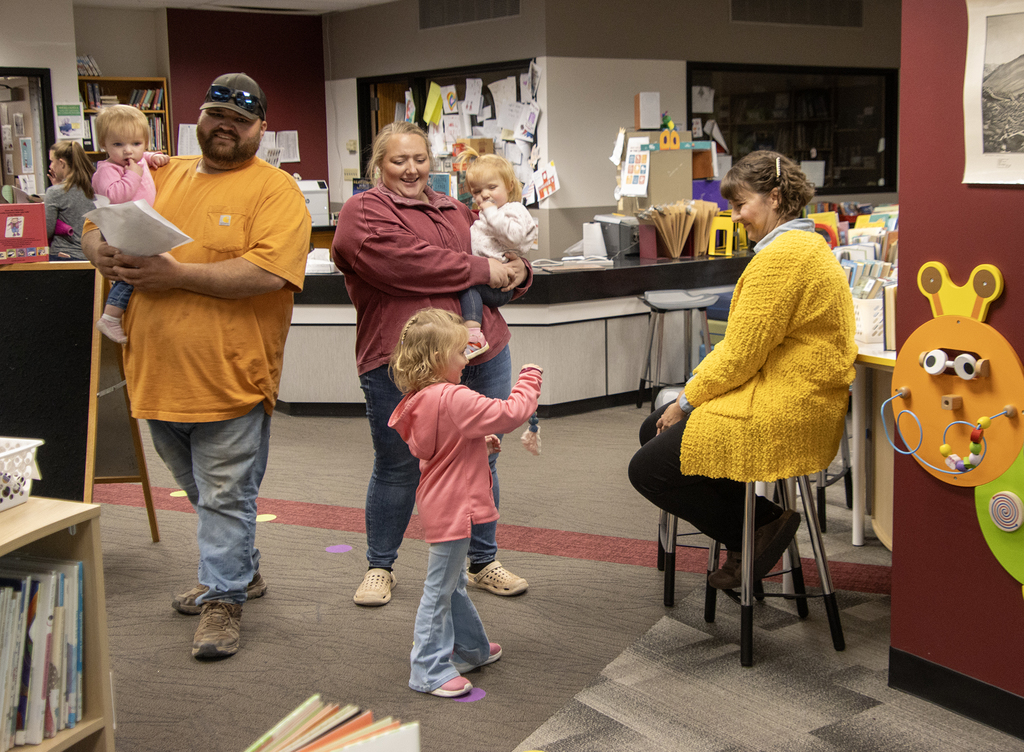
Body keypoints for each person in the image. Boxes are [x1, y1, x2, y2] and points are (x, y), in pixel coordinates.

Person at [82, 73, 310, 659]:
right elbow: (96, 217)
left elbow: (268, 272)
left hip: (232, 378)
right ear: (199, 119)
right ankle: (241, 571)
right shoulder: (161, 171)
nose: (225, 127)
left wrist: (177, 275)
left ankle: (223, 599)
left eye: (240, 120)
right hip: (154, 376)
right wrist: (99, 249)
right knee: (205, 494)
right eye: (215, 115)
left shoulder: (275, 189)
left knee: (224, 496)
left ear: (260, 129)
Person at [628, 151, 857, 590]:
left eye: (741, 205)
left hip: (786, 407)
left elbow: (739, 355)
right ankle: (755, 529)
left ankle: (754, 529)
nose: (735, 217)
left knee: (647, 468)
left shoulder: (781, 257)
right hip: (798, 397)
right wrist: (685, 401)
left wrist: (685, 399)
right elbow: (748, 352)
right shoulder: (808, 244)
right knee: (651, 431)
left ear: (774, 197)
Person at [331, 122, 533, 607]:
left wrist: (519, 271)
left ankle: (483, 561)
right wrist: (485, 269)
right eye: (399, 160)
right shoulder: (364, 211)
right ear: (379, 164)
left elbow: (505, 259)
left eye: (420, 159)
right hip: (405, 363)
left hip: (482, 352)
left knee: (484, 456)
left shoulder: (457, 208)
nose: (411, 169)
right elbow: (407, 263)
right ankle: (380, 566)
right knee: (398, 466)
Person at [387, 308, 543, 697]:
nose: (467, 358)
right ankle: (427, 669)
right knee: (439, 590)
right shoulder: (453, 396)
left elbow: (435, 448)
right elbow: (511, 414)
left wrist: (474, 442)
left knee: (453, 582)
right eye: (460, 351)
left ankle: (470, 648)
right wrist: (530, 380)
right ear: (438, 359)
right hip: (455, 506)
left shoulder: (421, 398)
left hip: (440, 500)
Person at [91, 105, 171, 344]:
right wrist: (134, 173)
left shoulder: (136, 159)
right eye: (118, 145)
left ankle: (113, 315)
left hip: (137, 224)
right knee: (132, 274)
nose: (129, 151)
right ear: (104, 144)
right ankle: (110, 316)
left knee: (137, 271)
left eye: (136, 144)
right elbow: (117, 196)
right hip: (123, 226)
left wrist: (153, 157)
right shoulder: (107, 170)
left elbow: (143, 157)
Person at [452, 148, 538, 358]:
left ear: (509, 185)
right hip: (488, 277)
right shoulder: (484, 216)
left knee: (468, 288)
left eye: (492, 187)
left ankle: (473, 336)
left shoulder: (513, 210)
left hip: (500, 284)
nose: (485, 195)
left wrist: (491, 212)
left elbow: (515, 237)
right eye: (478, 192)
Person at [44, 141, 96, 260]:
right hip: (93, 258)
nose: (51, 166)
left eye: (52, 161)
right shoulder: (98, 187)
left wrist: (56, 189)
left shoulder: (54, 193)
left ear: (61, 163)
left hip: (65, 257)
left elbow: (46, 231)